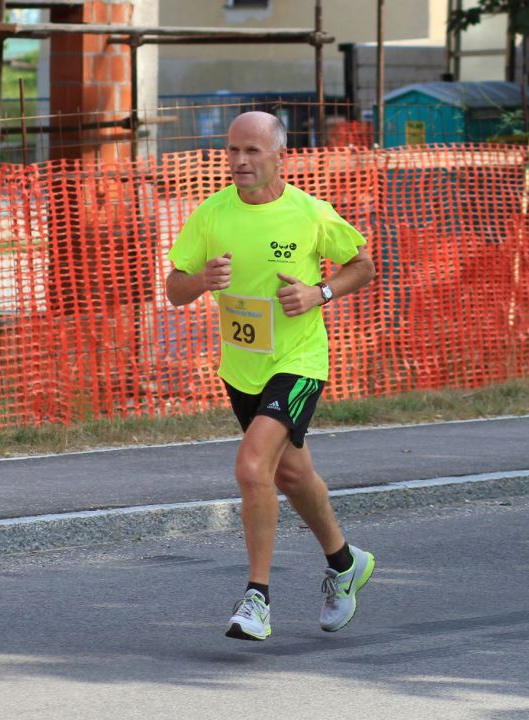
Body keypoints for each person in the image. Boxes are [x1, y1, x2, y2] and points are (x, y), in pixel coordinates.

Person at [166, 111, 377, 641]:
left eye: (252, 151)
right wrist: (200, 279)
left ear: (280, 155)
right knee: (289, 476)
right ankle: (345, 563)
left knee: (251, 464)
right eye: (233, 150)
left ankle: (257, 597)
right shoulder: (211, 214)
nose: (239, 161)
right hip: (242, 367)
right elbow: (174, 288)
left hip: (299, 362)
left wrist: (318, 293)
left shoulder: (309, 213)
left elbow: (363, 265)